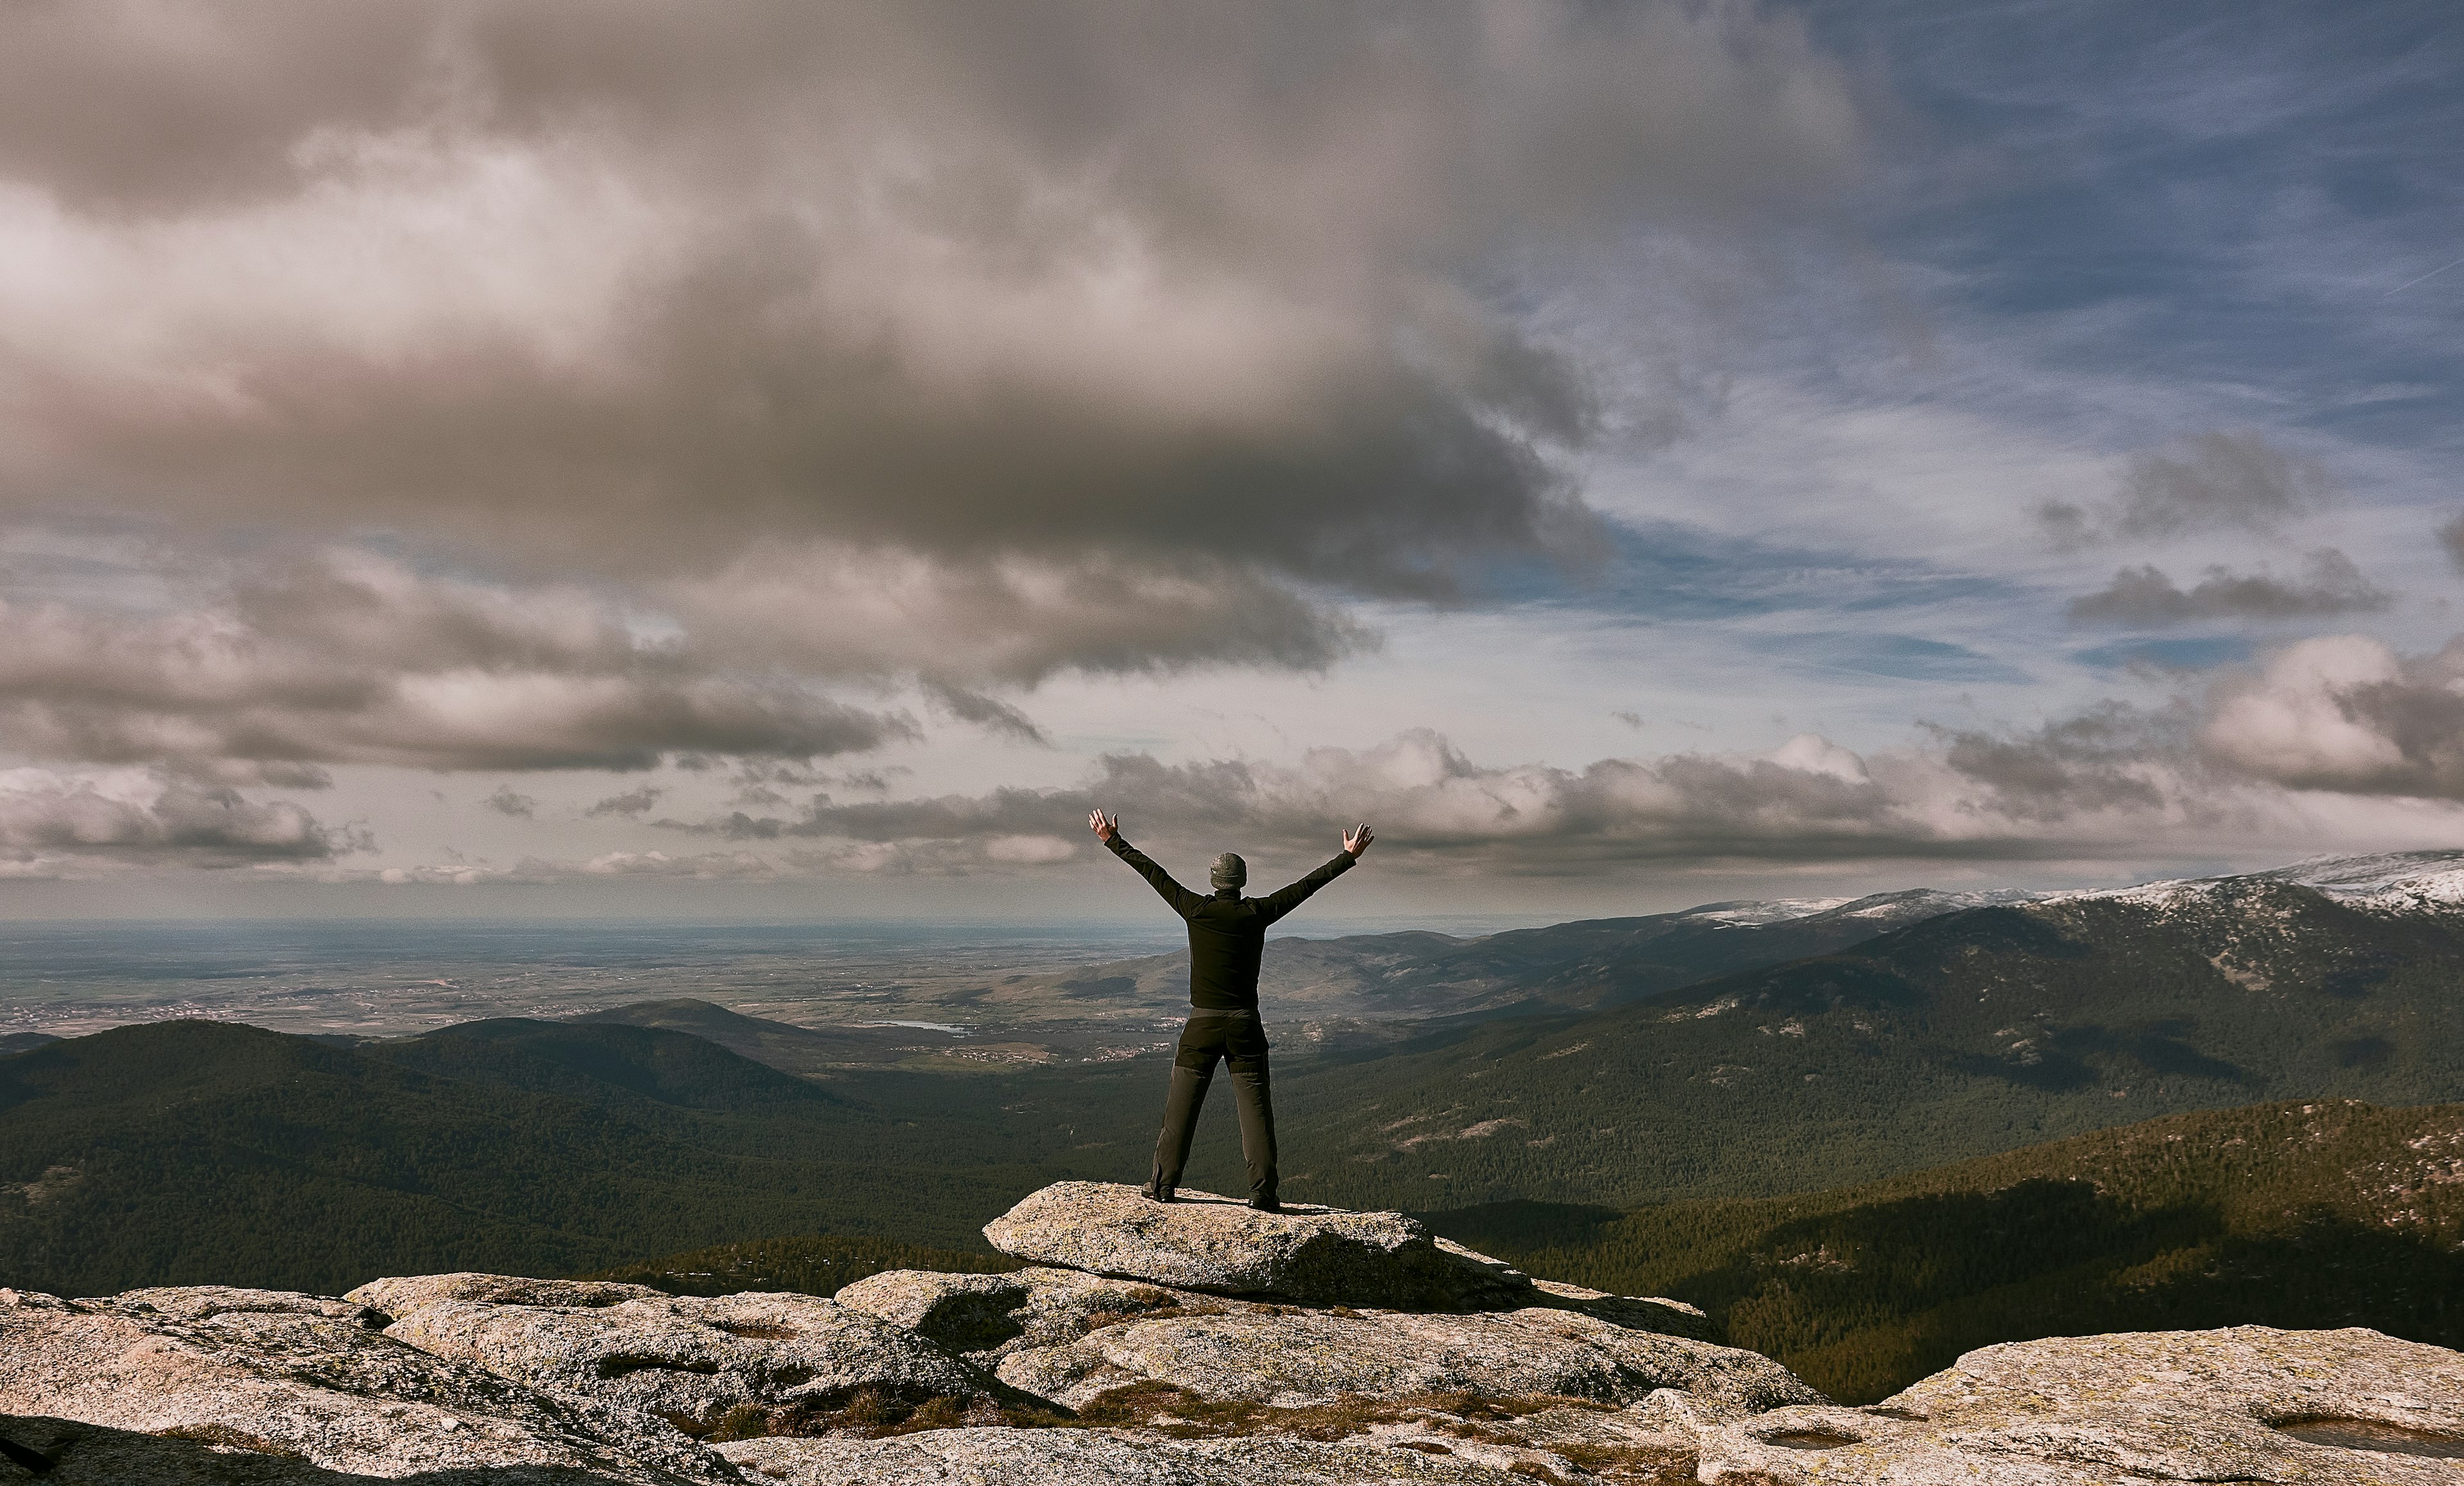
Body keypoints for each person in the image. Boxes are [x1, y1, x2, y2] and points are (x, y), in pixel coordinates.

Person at [1087, 809, 1373, 1213]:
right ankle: (1263, 1195)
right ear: (1242, 883)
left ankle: (1164, 1187)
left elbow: (1154, 874)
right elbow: (1305, 887)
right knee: (1256, 1112)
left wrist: (1113, 840)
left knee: (1180, 1111)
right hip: (1245, 1027)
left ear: (1213, 881)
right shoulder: (1257, 913)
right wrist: (1347, 857)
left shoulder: (1195, 909)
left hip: (1202, 1025)